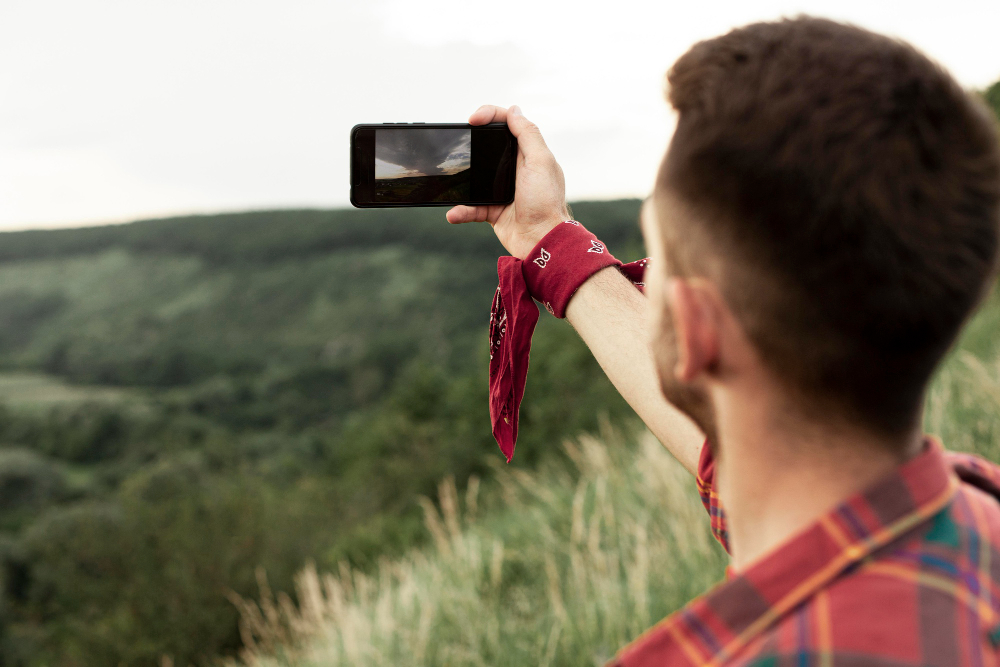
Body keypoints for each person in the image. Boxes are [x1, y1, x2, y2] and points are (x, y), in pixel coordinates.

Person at [447, 16, 1000, 667]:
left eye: (657, 258)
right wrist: (548, 237)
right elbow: (732, 446)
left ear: (693, 329)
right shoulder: (971, 509)